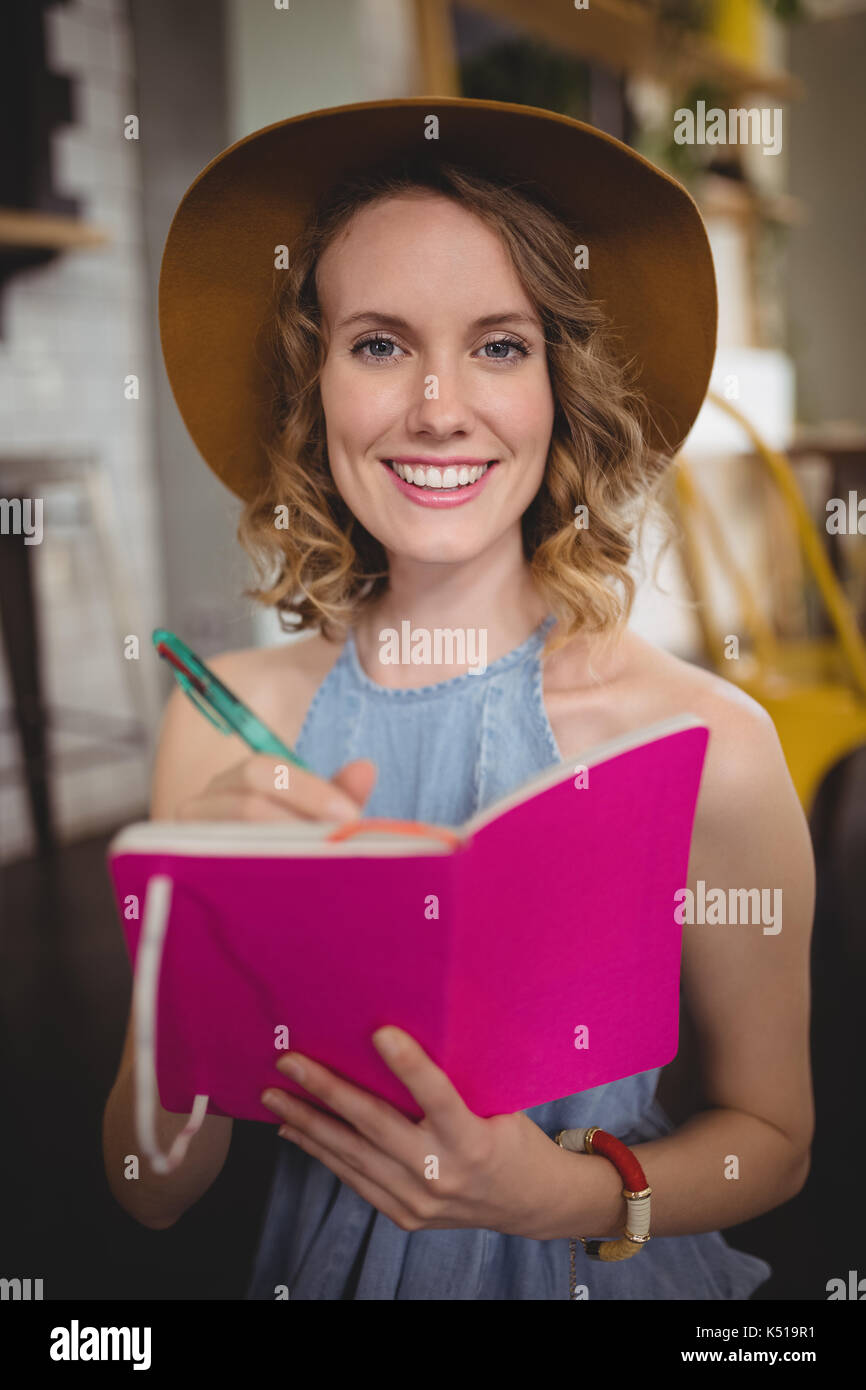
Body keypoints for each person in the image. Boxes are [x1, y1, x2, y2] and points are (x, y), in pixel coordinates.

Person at [103, 98, 814, 1300]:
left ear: (559, 387)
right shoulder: (224, 723)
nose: (438, 406)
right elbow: (148, 1185)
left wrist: (568, 1195)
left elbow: (775, 1142)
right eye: (378, 343)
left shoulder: (710, 745)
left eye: (497, 344)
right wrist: (193, 952)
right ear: (313, 384)